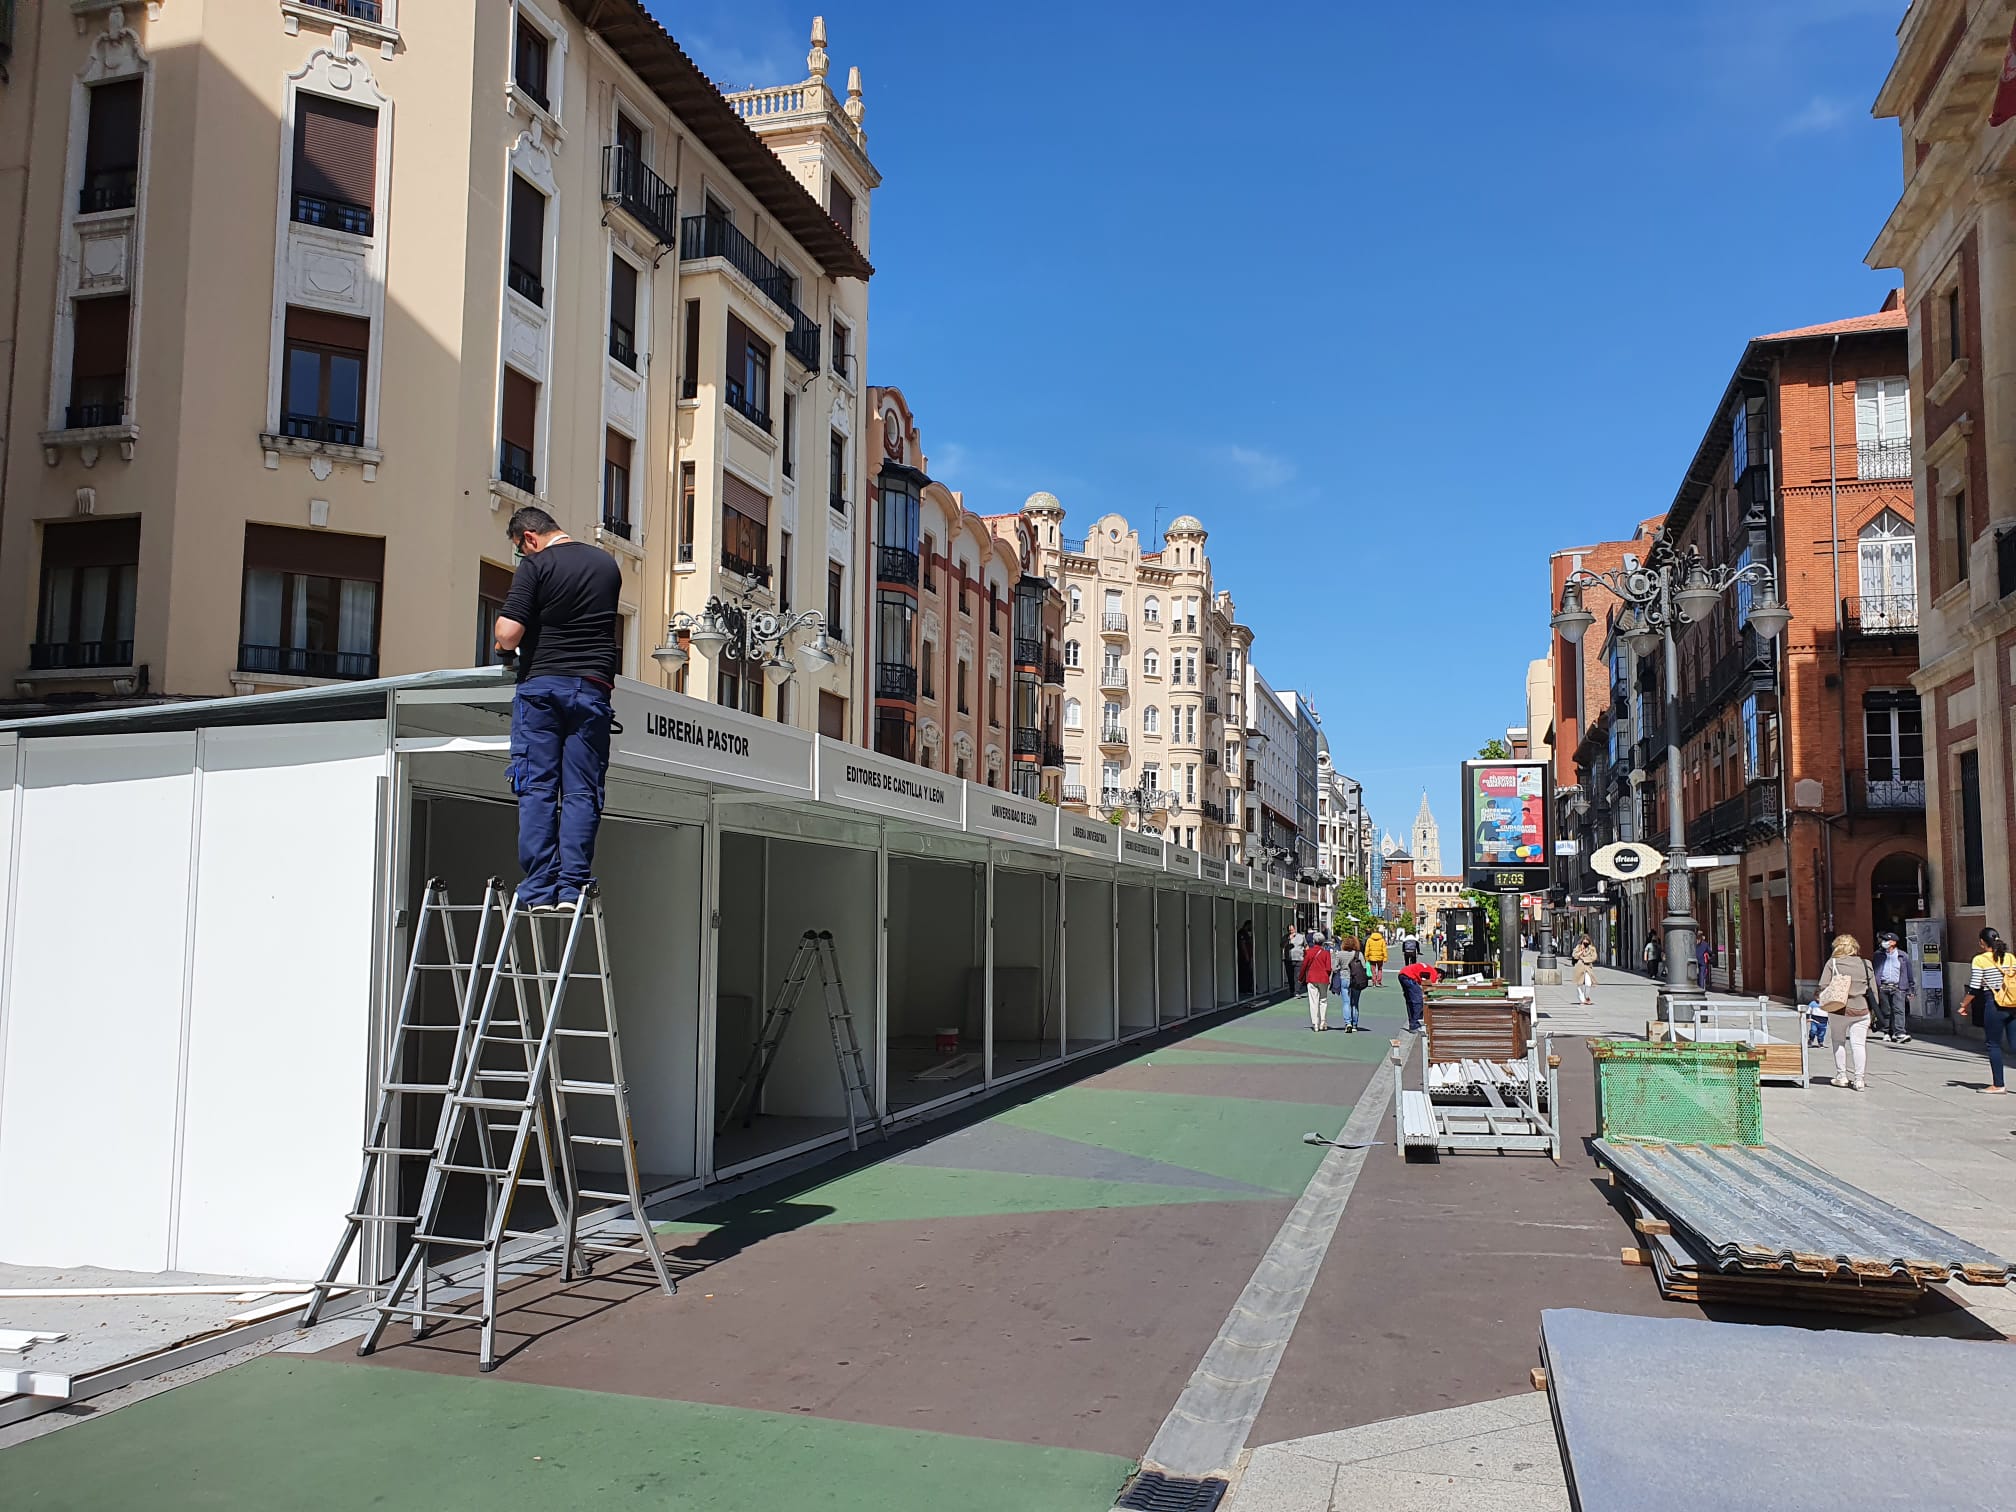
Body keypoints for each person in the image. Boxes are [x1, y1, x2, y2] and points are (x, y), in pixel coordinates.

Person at [493, 506, 622, 914]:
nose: (522, 558)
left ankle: (538, 888)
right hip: (593, 689)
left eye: (520, 550)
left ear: (529, 538)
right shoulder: (607, 565)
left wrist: (501, 644)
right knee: (583, 791)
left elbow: (509, 633)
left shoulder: (536, 566)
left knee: (538, 788)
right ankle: (573, 888)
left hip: (543, 685)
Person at [1816, 933, 1877, 1091]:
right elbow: (1874, 991)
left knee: (1838, 1041)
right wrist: (1873, 1011)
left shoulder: (1833, 963)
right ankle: (1859, 1080)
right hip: (1861, 1009)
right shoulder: (1866, 964)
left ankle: (1841, 1076)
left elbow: (1823, 985)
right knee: (1859, 1044)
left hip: (1838, 1009)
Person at [1962, 927, 2016, 1094]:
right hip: (2013, 1004)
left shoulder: (1980, 960)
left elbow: (1975, 987)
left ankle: (1998, 1084)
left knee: (1993, 1045)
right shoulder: (2010, 957)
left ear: (1982, 943)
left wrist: (1964, 1005)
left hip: (1994, 1004)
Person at [1873, 932, 1915, 1044]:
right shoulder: (1878, 955)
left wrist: (1911, 988)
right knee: (1886, 1010)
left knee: (1899, 1010)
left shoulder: (1903, 956)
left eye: (1887, 941)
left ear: (1894, 943)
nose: (1884, 942)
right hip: (1883, 986)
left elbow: (1909, 972)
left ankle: (1900, 1032)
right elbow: (1874, 970)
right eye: (1884, 940)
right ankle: (1886, 1032)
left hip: (1898, 987)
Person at [1301, 932, 1334, 1032]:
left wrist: (1301, 978)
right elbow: (1329, 968)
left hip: (1311, 978)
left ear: (1314, 941)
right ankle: (1323, 1021)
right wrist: (1326, 976)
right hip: (1323, 978)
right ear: (1323, 942)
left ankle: (1315, 1023)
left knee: (1313, 1001)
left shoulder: (1309, 952)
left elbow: (1304, 966)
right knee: (1323, 1000)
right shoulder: (1326, 953)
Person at [1334, 934, 1367, 1032]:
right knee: (1355, 1003)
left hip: (1344, 978)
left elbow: (1334, 968)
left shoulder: (1339, 954)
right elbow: (1364, 967)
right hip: (1356, 979)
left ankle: (1348, 1023)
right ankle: (1355, 1024)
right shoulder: (1359, 954)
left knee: (1346, 1002)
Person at [1397, 959, 1441, 1034]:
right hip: (1409, 977)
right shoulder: (1434, 973)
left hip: (1403, 974)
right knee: (1418, 1001)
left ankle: (1412, 1022)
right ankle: (1414, 1024)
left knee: (1410, 1001)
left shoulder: (1428, 969)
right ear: (1439, 975)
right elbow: (1429, 987)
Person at [1572, 935, 1598, 1007]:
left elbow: (1594, 957)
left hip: (1588, 967)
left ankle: (1586, 997)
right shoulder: (1578, 947)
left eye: (1587, 941)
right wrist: (1581, 952)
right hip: (1579, 967)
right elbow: (1574, 955)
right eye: (1584, 941)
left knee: (1588, 983)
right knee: (1579, 984)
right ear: (1582, 941)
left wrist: (1584, 959)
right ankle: (1582, 1000)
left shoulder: (1592, 949)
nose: (1586, 942)